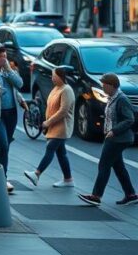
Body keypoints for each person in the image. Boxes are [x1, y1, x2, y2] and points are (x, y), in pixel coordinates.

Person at [78, 73, 138, 206]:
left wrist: (114, 130)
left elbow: (129, 119)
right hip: (114, 137)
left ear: (112, 85)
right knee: (118, 167)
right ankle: (131, 194)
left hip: (118, 138)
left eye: (104, 85)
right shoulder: (112, 97)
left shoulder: (121, 99)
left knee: (104, 165)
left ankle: (96, 196)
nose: (102, 87)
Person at [24, 67, 75, 188]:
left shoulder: (66, 90)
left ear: (61, 76)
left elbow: (63, 111)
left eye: (54, 76)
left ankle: (37, 174)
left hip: (61, 126)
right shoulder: (56, 88)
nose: (52, 78)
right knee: (61, 153)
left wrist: (48, 122)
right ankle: (68, 179)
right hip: (53, 125)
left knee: (50, 148)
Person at [0, 45, 26, 193]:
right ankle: (1, 178)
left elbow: (19, 84)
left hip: (11, 113)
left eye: (4, 56)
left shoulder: (8, 71)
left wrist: (9, 70)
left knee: (4, 145)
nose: (3, 59)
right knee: (2, 144)